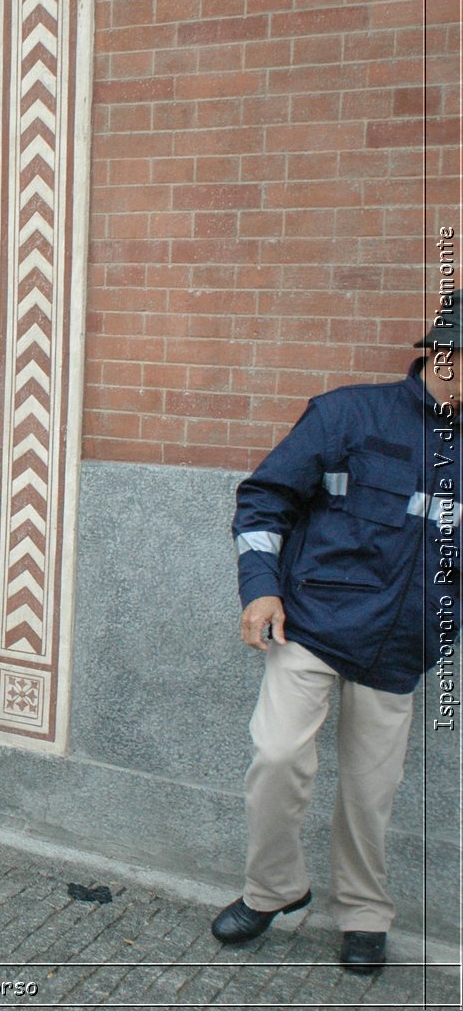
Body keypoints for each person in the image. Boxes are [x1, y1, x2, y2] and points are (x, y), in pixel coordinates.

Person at [211, 299, 460, 973]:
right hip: (314, 626)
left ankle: (364, 915)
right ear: (445, 355)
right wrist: (260, 587)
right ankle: (274, 892)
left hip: (401, 648)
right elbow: (264, 500)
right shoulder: (348, 414)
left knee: (370, 795)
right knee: (277, 757)